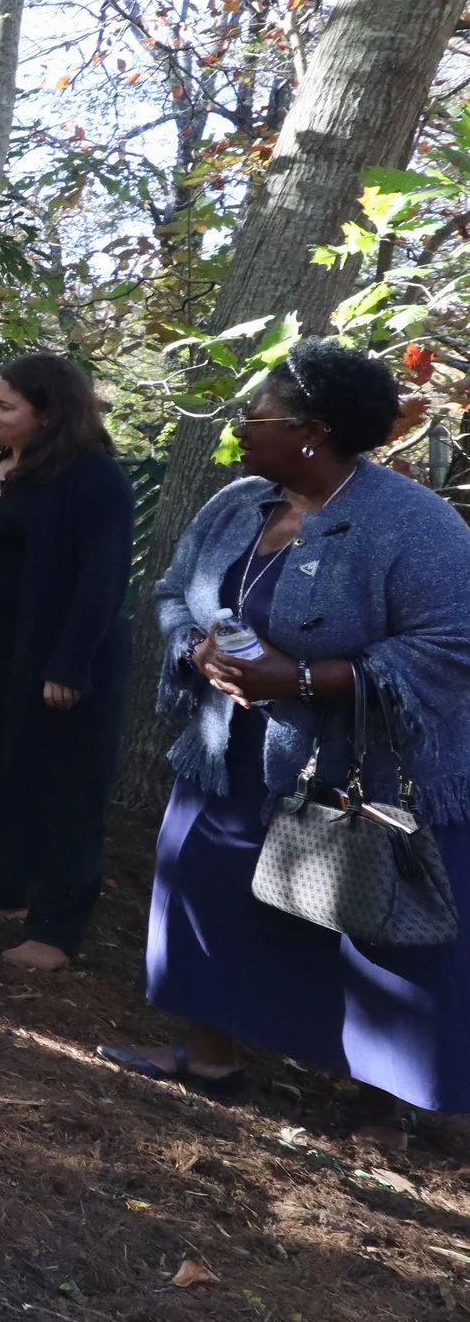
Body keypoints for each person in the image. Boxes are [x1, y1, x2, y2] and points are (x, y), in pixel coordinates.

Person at [100, 340, 470, 1111]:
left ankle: (384, 1110)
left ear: (313, 430)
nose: (239, 428)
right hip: (224, 750)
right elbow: (172, 592)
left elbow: (451, 644)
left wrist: (301, 678)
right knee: (206, 892)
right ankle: (208, 1061)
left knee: (363, 926)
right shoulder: (235, 505)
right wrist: (193, 651)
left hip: (357, 773)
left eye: (255, 416)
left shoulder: (412, 524)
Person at [0, 354, 134, 970]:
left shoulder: (94, 478)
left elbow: (103, 579)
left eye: (5, 405)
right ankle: (5, 892)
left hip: (55, 661)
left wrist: (69, 664)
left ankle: (57, 928)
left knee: (60, 787)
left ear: (49, 414)